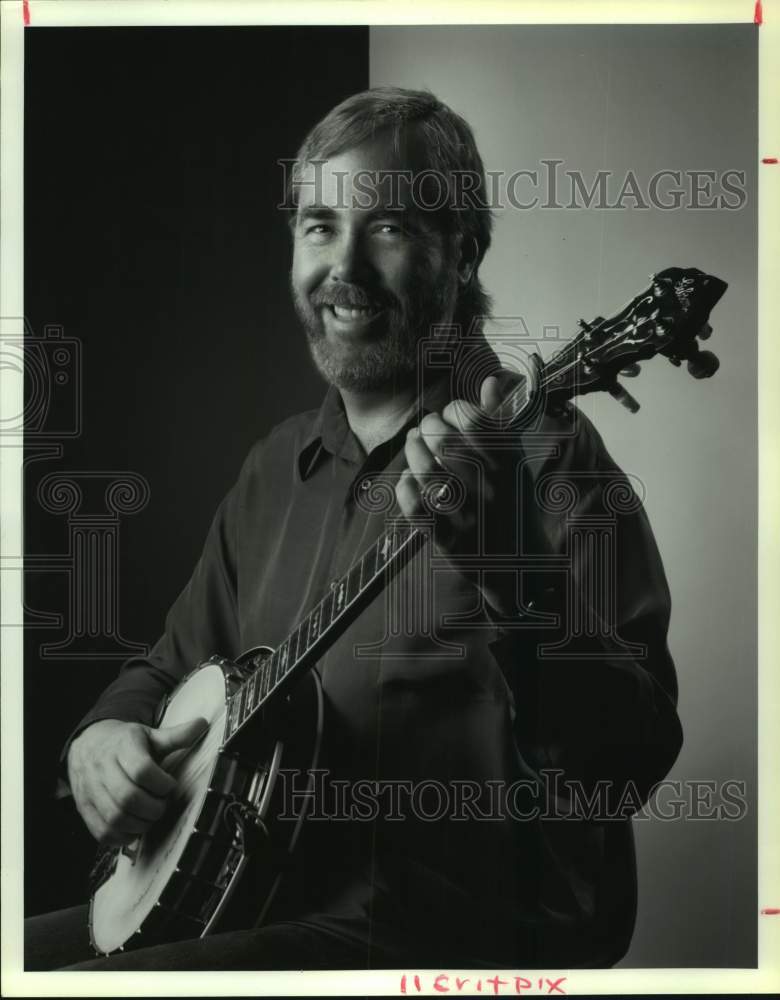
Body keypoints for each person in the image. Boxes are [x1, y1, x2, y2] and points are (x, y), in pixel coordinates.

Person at [25, 87, 682, 971]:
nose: (344, 268)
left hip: (447, 930)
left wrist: (518, 569)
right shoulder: (273, 468)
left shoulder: (544, 455)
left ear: (464, 250)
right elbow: (167, 667)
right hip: (252, 892)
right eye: (319, 226)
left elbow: (630, 760)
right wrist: (100, 742)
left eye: (391, 229)